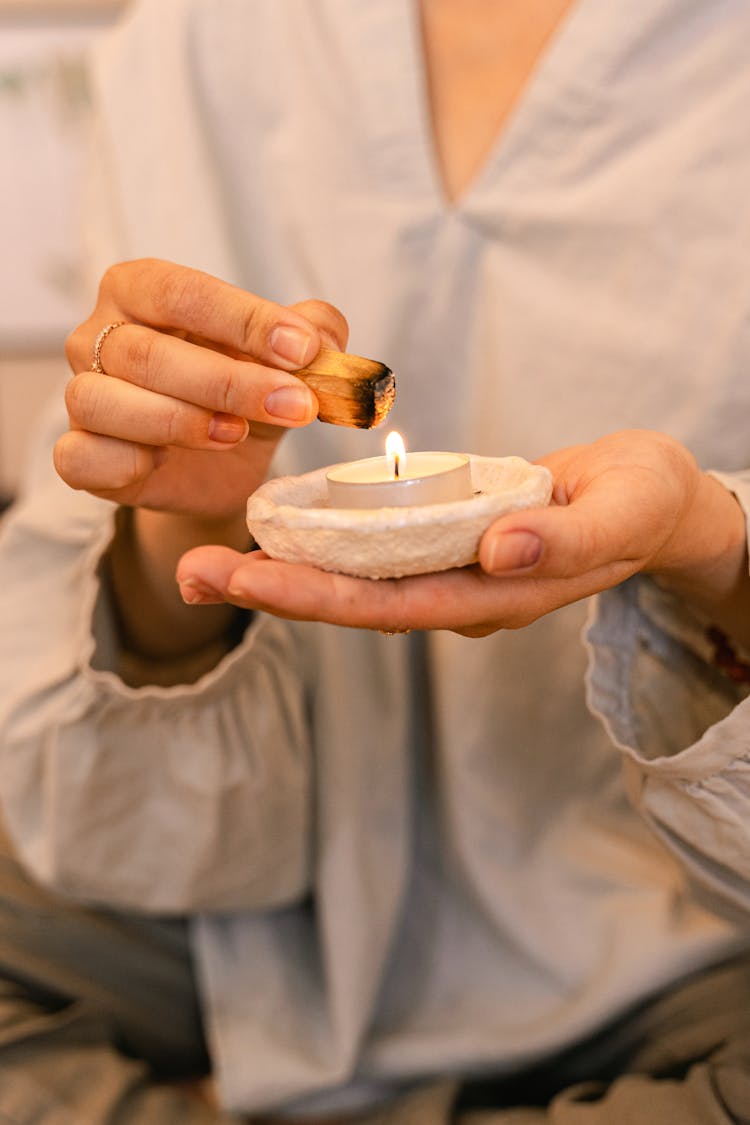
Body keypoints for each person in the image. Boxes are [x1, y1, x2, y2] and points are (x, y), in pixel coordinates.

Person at [1, 1, 750, 1121]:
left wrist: (708, 548)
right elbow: (92, 799)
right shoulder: (191, 42)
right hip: (250, 929)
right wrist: (181, 522)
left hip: (681, 951)